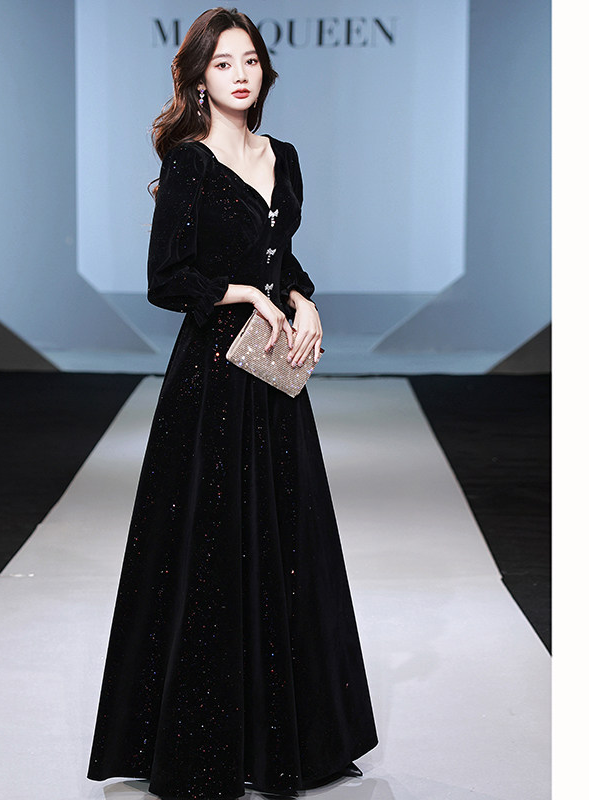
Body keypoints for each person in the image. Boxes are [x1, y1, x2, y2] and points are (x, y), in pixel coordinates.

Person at [87, 8, 377, 800]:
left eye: (249, 60)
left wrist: (303, 299)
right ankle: (205, 748)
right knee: (211, 547)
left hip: (272, 375)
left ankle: (283, 743)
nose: (240, 74)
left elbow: (280, 257)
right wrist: (244, 291)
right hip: (213, 378)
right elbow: (167, 278)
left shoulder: (283, 156)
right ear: (198, 79)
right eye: (223, 64)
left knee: (283, 542)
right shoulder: (188, 163)